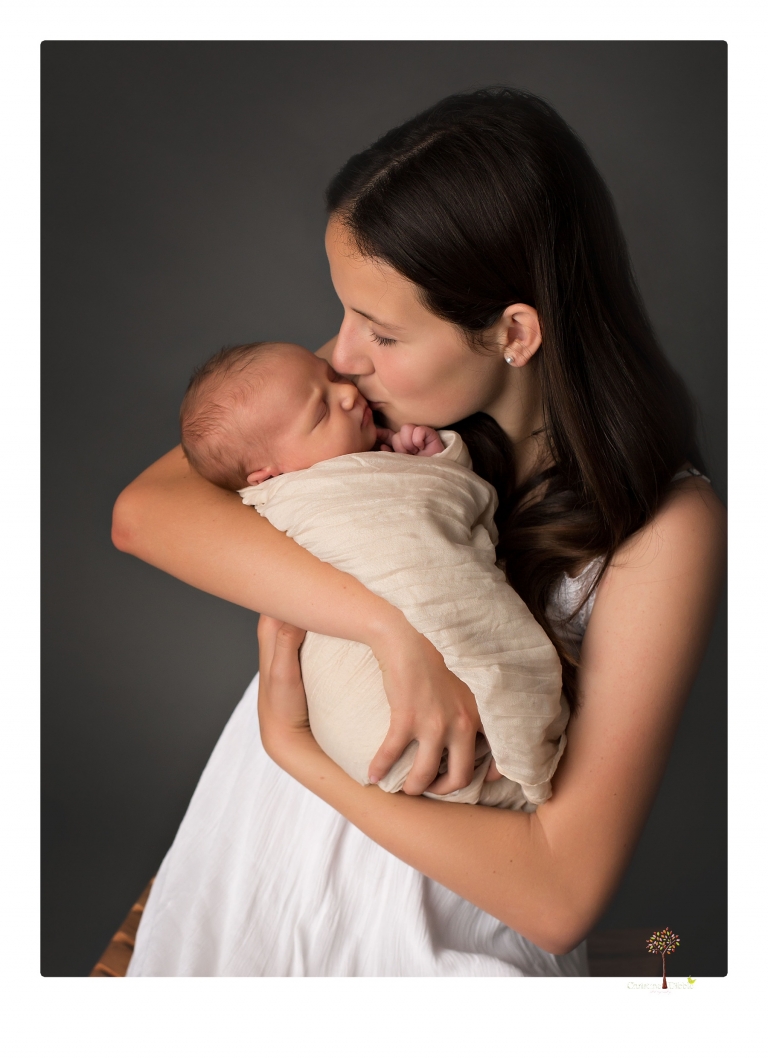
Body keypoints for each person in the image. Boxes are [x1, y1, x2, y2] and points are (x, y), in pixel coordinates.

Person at [114, 88, 725, 976]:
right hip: (247, 896)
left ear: (513, 333)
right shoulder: (354, 418)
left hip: (422, 954)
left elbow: (559, 893)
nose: (341, 355)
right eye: (343, 312)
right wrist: (388, 629)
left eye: (381, 330)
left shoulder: (666, 529)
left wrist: (298, 754)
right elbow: (144, 514)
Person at [179, 340, 567, 810]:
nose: (346, 393)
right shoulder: (307, 500)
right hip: (368, 723)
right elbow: (420, 549)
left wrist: (428, 463)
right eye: (321, 413)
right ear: (268, 477)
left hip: (353, 762)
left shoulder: (361, 459)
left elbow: (433, 516)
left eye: (331, 379)